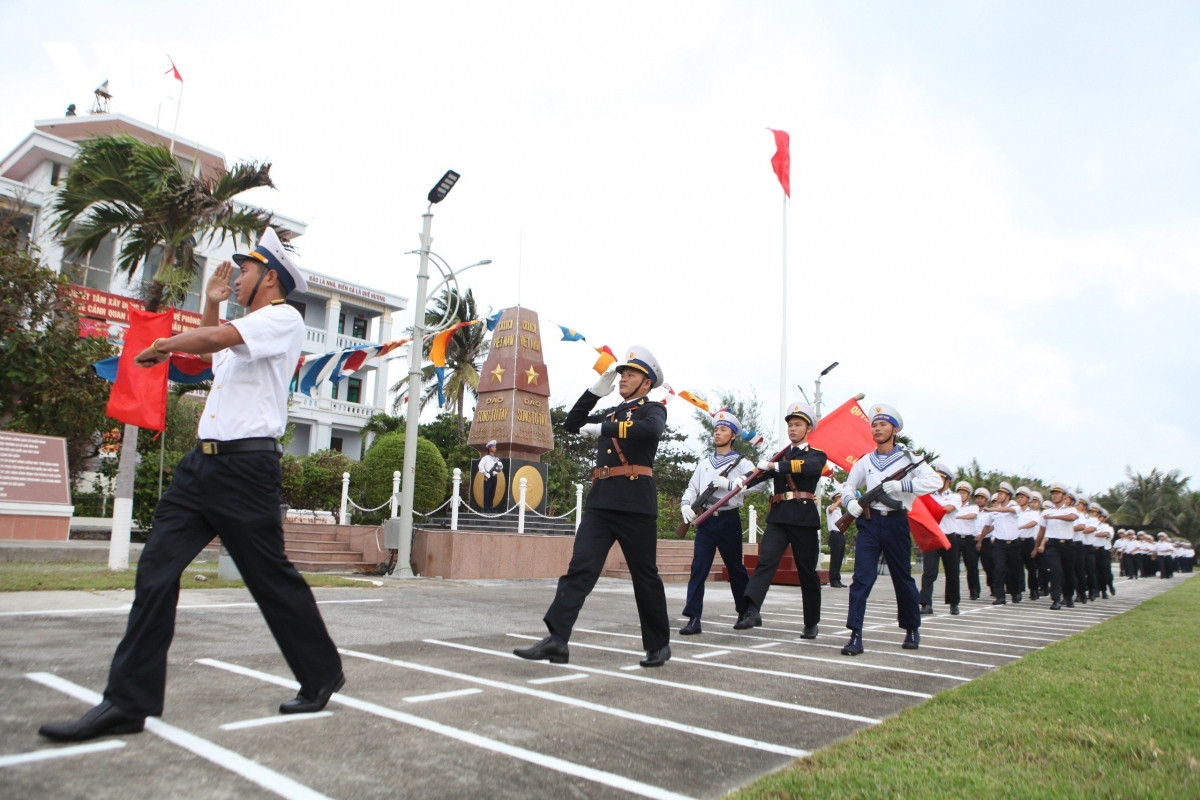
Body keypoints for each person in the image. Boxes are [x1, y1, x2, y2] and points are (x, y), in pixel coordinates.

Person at [40, 230, 344, 742]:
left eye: (244, 270)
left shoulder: (283, 319)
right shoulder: (248, 326)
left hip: (246, 471)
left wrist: (165, 344)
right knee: (156, 571)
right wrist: (209, 303)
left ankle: (319, 672)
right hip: (200, 467)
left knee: (269, 577)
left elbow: (212, 341)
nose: (237, 276)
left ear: (270, 277)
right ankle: (127, 702)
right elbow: (213, 352)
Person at [514, 347, 672, 667]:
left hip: (636, 505)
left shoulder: (652, 409)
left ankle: (658, 645)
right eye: (622, 373)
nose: (624, 377)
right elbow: (571, 423)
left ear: (647, 382)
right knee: (580, 570)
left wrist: (604, 428)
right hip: (601, 503)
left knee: (645, 577)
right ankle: (557, 640)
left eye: (631, 374)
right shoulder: (611, 411)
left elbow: (650, 431)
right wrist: (593, 393)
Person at [839, 404, 941, 655]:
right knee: (861, 578)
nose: (877, 429)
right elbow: (848, 487)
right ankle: (855, 634)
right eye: (874, 425)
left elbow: (934, 481)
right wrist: (850, 503)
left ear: (894, 429)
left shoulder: (909, 458)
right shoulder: (866, 461)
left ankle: (912, 628)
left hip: (896, 522)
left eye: (883, 424)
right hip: (870, 523)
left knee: (902, 578)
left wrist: (903, 486)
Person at [731, 402, 828, 638]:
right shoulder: (780, 456)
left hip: (804, 517)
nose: (792, 429)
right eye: (790, 425)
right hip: (780, 515)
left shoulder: (816, 455)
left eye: (798, 425)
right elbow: (759, 473)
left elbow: (808, 467)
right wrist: (741, 480)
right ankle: (752, 610)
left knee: (807, 571)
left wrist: (776, 465)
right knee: (766, 563)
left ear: (809, 429)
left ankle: (811, 621)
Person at [677, 410, 757, 635]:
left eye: (723, 430)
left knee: (735, 568)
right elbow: (693, 488)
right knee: (698, 569)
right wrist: (686, 505)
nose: (718, 433)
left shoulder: (741, 461)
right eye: (716, 429)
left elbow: (756, 480)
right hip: (705, 520)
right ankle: (693, 617)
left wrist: (731, 484)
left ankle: (744, 612)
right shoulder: (704, 463)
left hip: (728, 518)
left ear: (733, 435)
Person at [918, 464, 962, 615]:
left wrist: (931, 508)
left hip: (949, 538)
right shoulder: (929, 496)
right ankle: (925, 604)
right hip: (932, 537)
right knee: (929, 572)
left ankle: (954, 603)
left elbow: (947, 509)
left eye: (940, 479)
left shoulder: (955, 497)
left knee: (952, 572)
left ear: (948, 481)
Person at [1033, 482, 1079, 609]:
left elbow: (1072, 517)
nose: (1054, 496)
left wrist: (1055, 517)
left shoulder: (1070, 509)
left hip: (1067, 544)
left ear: (1064, 496)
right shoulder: (1046, 512)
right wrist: (1036, 547)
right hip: (1052, 544)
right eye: (1053, 493)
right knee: (1055, 571)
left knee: (1068, 573)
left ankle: (1068, 596)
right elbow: (1041, 531)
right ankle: (1056, 599)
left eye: (1057, 493)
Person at [979, 481, 1023, 605]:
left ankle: (1015, 592)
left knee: (1013, 570)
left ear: (1008, 496)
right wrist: (980, 540)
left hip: (1013, 544)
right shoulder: (993, 511)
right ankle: (1000, 596)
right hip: (999, 544)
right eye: (998, 493)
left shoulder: (1015, 507)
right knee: (999, 568)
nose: (998, 495)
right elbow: (987, 527)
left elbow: (1008, 510)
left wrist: (991, 509)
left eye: (1001, 493)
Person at [952, 481, 982, 600]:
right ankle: (955, 593)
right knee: (954, 567)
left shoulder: (973, 507)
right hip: (956, 538)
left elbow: (973, 516)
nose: (961, 495)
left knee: (971, 566)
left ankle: (974, 590)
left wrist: (958, 516)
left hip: (969, 539)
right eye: (960, 492)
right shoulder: (954, 507)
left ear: (968, 495)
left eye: (964, 493)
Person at [1015, 487, 1041, 599]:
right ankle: (1018, 591)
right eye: (1018, 497)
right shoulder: (1014, 511)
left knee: (1031, 568)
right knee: (1017, 567)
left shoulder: (1033, 513)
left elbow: (1034, 523)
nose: (1019, 499)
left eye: (1022, 497)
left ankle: (1033, 590)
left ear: (1027, 499)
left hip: (1029, 542)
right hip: (1017, 541)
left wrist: (1021, 527)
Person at [826, 490, 847, 588]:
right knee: (835, 558)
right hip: (834, 535)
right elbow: (830, 509)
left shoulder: (839, 510)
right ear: (835, 498)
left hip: (841, 534)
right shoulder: (831, 508)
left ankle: (838, 579)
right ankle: (833, 580)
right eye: (839, 498)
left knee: (839, 558)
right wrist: (838, 501)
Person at [478, 440, 503, 512]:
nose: (495, 448)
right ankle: (486, 508)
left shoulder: (497, 459)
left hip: (494, 476)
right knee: (487, 492)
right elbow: (480, 466)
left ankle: (490, 507)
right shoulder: (486, 458)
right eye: (493, 447)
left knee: (492, 493)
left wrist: (499, 468)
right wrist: (485, 473)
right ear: (489, 448)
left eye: (495, 447)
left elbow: (499, 468)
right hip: (488, 476)